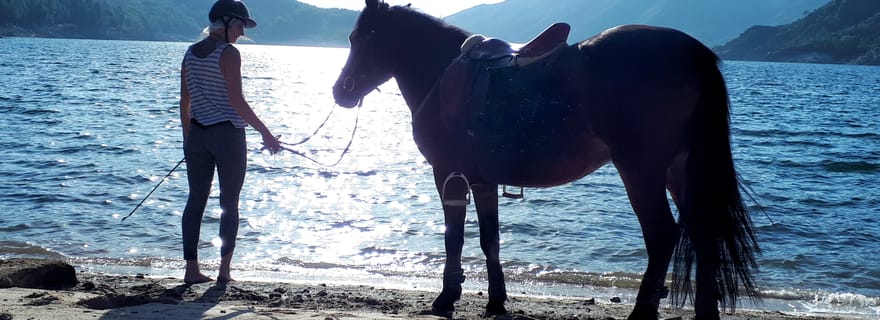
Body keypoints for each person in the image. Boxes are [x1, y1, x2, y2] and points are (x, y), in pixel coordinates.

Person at [178, 0, 280, 284]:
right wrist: (266, 133)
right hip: (227, 137)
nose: (240, 33)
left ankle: (191, 270)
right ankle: (224, 271)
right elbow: (237, 102)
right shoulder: (229, 54)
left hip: (197, 135)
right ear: (224, 23)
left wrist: (188, 138)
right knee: (229, 202)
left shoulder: (189, 53)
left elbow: (185, 102)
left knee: (195, 200)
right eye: (238, 26)